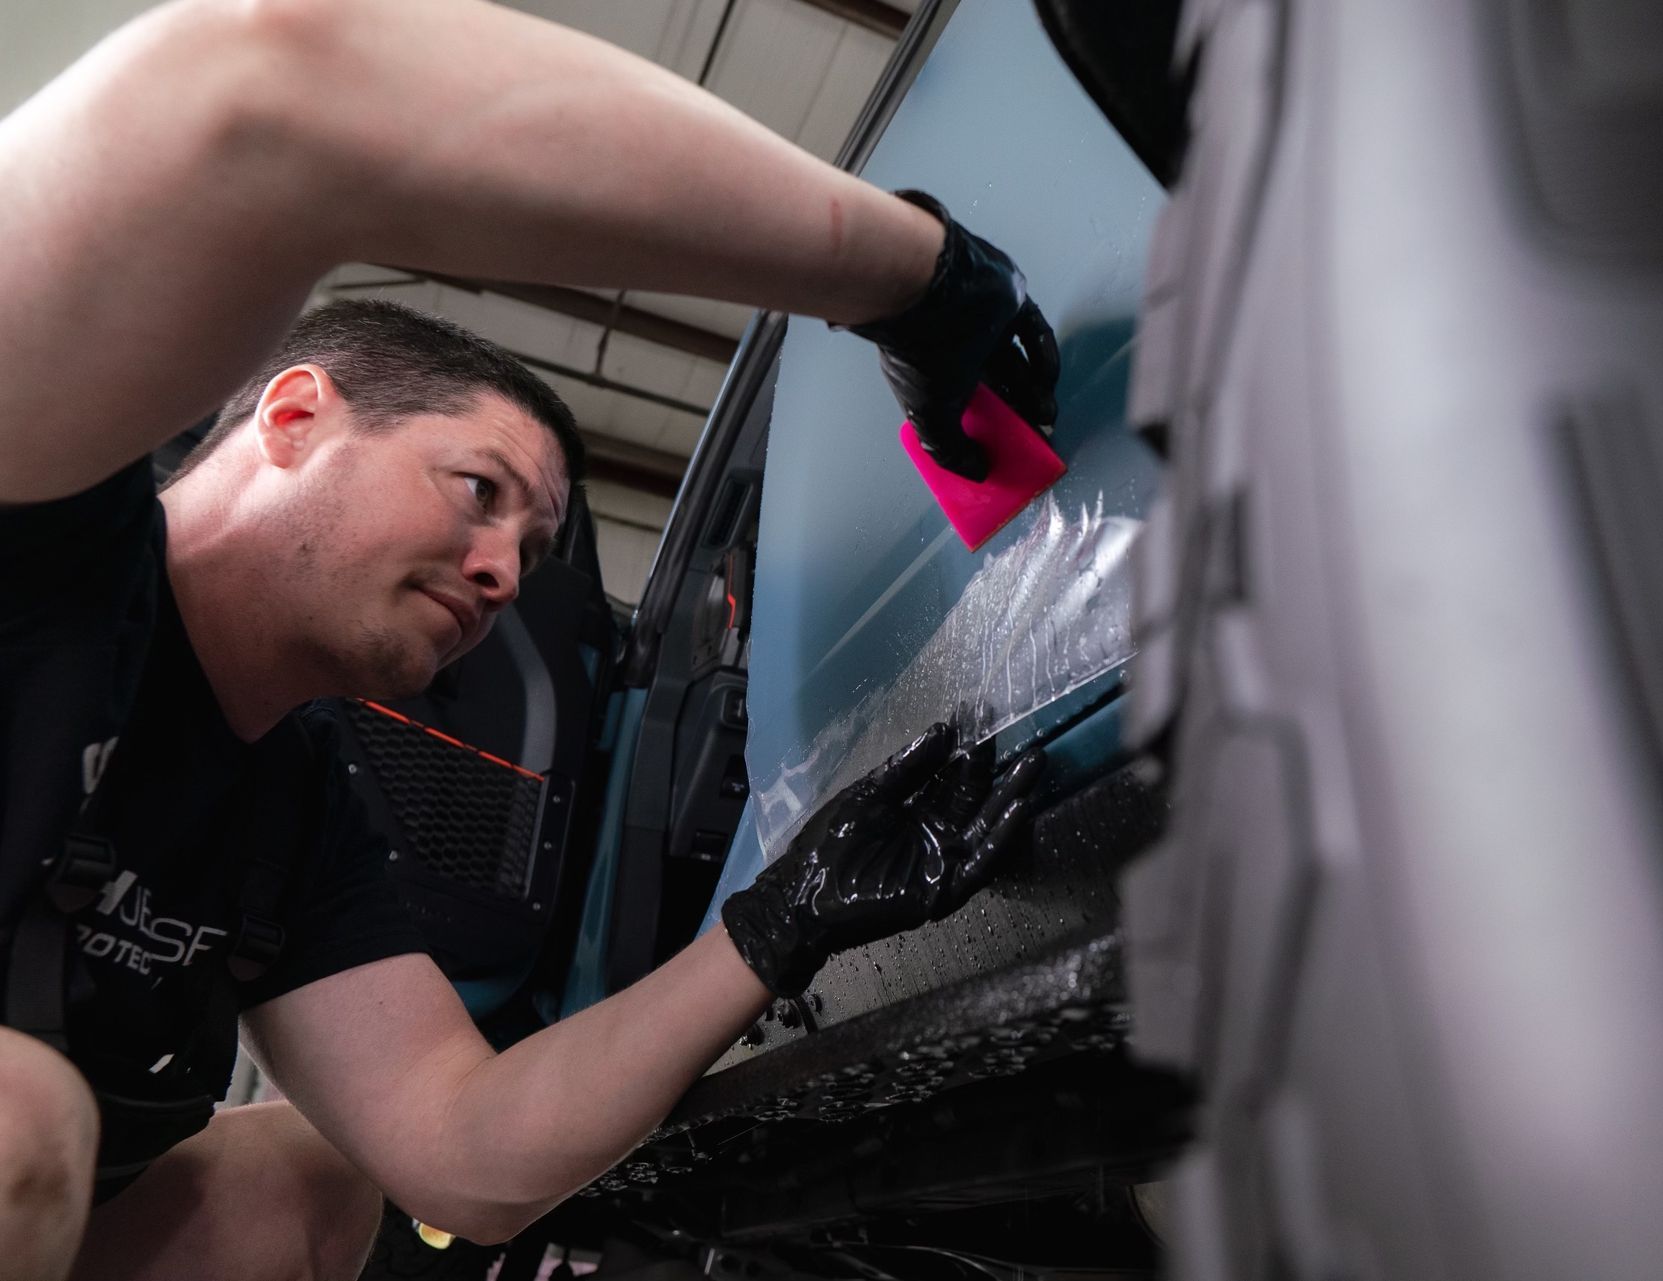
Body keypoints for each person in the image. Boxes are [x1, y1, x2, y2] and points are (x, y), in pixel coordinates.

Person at [0, 1, 1060, 1277]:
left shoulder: (299, 807)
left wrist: (776, 923)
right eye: (478, 490)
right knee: (22, 1118)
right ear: (292, 418)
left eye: (535, 550)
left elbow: (463, 1148)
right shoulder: (46, 524)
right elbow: (267, 77)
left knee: (304, 1181)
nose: (504, 573)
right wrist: (920, 283)